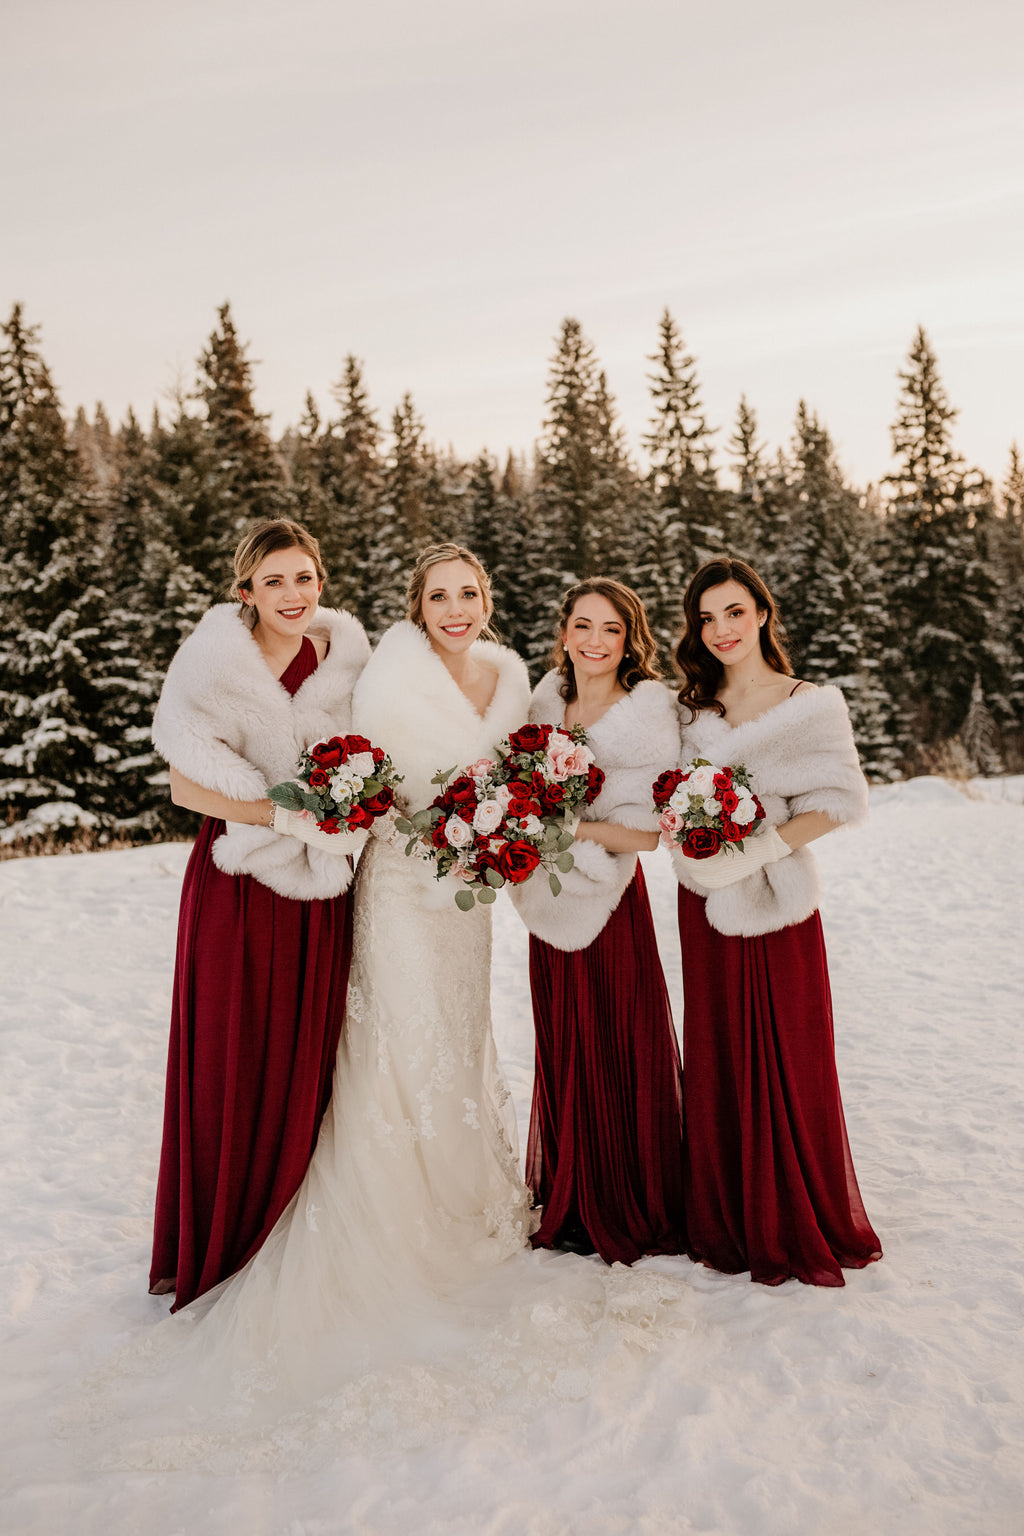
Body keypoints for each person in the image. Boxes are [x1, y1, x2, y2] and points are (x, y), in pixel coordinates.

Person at [148, 519, 370, 1308]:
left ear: (322, 582)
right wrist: (281, 819)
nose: (292, 595)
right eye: (274, 580)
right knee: (229, 1050)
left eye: (305, 577)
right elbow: (182, 784)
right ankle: (223, 1237)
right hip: (236, 880)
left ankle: (289, 1231)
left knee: (302, 1048)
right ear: (245, 590)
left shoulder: (344, 660)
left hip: (319, 894)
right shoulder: (214, 663)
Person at [671, 555, 881, 1287]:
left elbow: (841, 799)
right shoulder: (689, 709)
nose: (722, 629)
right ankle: (731, 1209)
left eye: (735, 612)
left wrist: (761, 845)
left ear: (762, 612)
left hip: (781, 900)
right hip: (704, 902)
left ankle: (797, 1211)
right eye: (707, 618)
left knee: (791, 1049)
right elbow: (670, 801)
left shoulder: (810, 704)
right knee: (721, 1043)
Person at [511, 578, 687, 1264]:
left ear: (629, 639)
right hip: (548, 898)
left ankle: (629, 1198)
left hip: (610, 899)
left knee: (619, 1036)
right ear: (563, 632)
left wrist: (565, 823)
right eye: (582, 625)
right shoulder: (542, 703)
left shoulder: (647, 714)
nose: (593, 641)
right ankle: (573, 1193)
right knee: (565, 1039)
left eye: (610, 629)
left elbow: (647, 837)